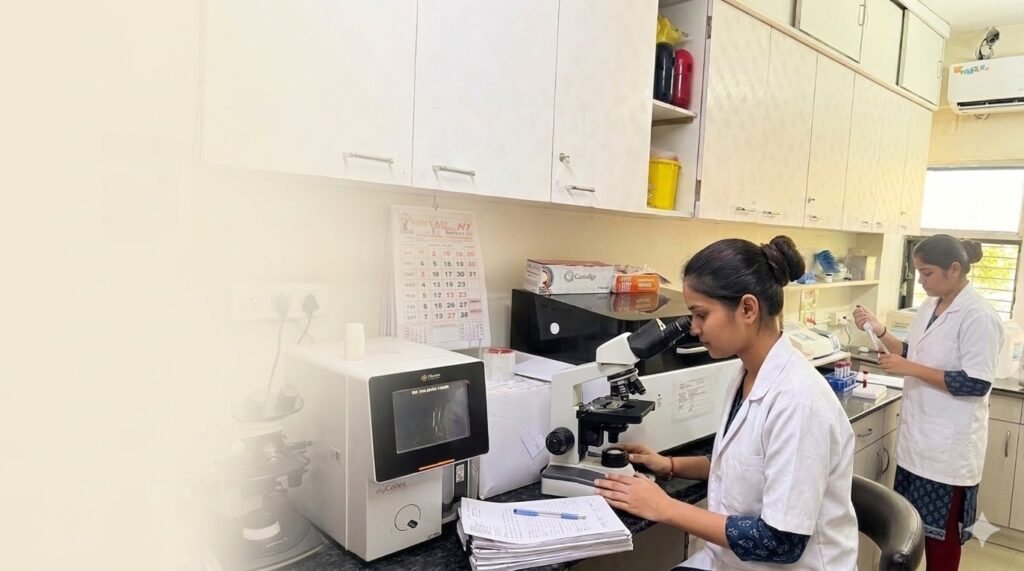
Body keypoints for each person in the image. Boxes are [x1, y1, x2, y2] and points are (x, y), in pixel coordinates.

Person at [594, 236, 858, 570]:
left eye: (701, 314)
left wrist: (665, 507)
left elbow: (781, 542)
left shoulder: (798, 402)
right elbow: (744, 462)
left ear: (747, 309)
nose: (694, 328)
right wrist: (669, 464)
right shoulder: (746, 373)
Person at [853, 235, 1003, 571]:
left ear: (955, 269)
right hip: (917, 445)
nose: (920, 280)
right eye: (918, 272)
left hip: (947, 453)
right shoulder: (929, 306)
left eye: (927, 272)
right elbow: (912, 351)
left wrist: (909, 368)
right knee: (912, 530)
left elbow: (976, 383)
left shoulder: (978, 316)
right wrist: (880, 330)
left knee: (942, 539)